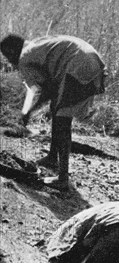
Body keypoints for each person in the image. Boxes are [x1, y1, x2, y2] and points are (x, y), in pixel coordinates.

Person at [0, 34, 107, 191]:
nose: (10, 62)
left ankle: (63, 179)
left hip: (78, 66)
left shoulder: (24, 58)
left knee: (62, 121)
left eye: (7, 56)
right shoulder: (35, 45)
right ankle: (52, 158)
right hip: (92, 62)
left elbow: (47, 89)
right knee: (57, 109)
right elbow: (51, 87)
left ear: (11, 50)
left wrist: (29, 112)